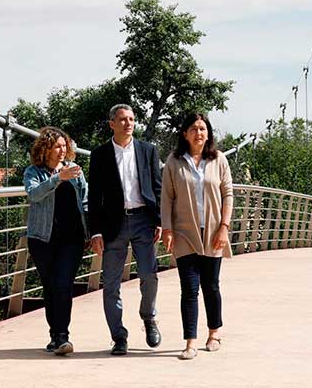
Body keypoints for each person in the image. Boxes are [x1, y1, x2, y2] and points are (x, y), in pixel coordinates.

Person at [88, 104, 162, 355]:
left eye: (131, 119)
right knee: (110, 284)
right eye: (122, 120)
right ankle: (118, 337)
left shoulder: (148, 150)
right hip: (113, 225)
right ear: (111, 124)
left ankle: (149, 317)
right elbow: (94, 196)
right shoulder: (99, 155)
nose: (128, 123)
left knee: (149, 275)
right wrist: (95, 232)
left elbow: (157, 187)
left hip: (143, 220)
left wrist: (160, 221)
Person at [161, 113, 233, 360]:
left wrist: (224, 226)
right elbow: (167, 197)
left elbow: (228, 195)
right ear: (184, 134)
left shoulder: (219, 159)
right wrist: (167, 229)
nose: (198, 133)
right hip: (184, 233)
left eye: (203, 129)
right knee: (189, 289)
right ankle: (190, 342)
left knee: (211, 286)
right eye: (193, 129)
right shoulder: (174, 161)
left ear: (208, 133)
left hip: (213, 231)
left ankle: (214, 333)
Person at [23, 127, 88, 356]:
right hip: (42, 239)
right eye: (57, 146)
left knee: (63, 284)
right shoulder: (34, 172)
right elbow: (34, 194)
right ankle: (55, 335)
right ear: (46, 148)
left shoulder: (75, 171)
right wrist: (57, 179)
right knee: (50, 287)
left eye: (65, 146)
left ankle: (62, 336)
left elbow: (85, 200)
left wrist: (92, 232)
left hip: (72, 239)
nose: (62, 150)